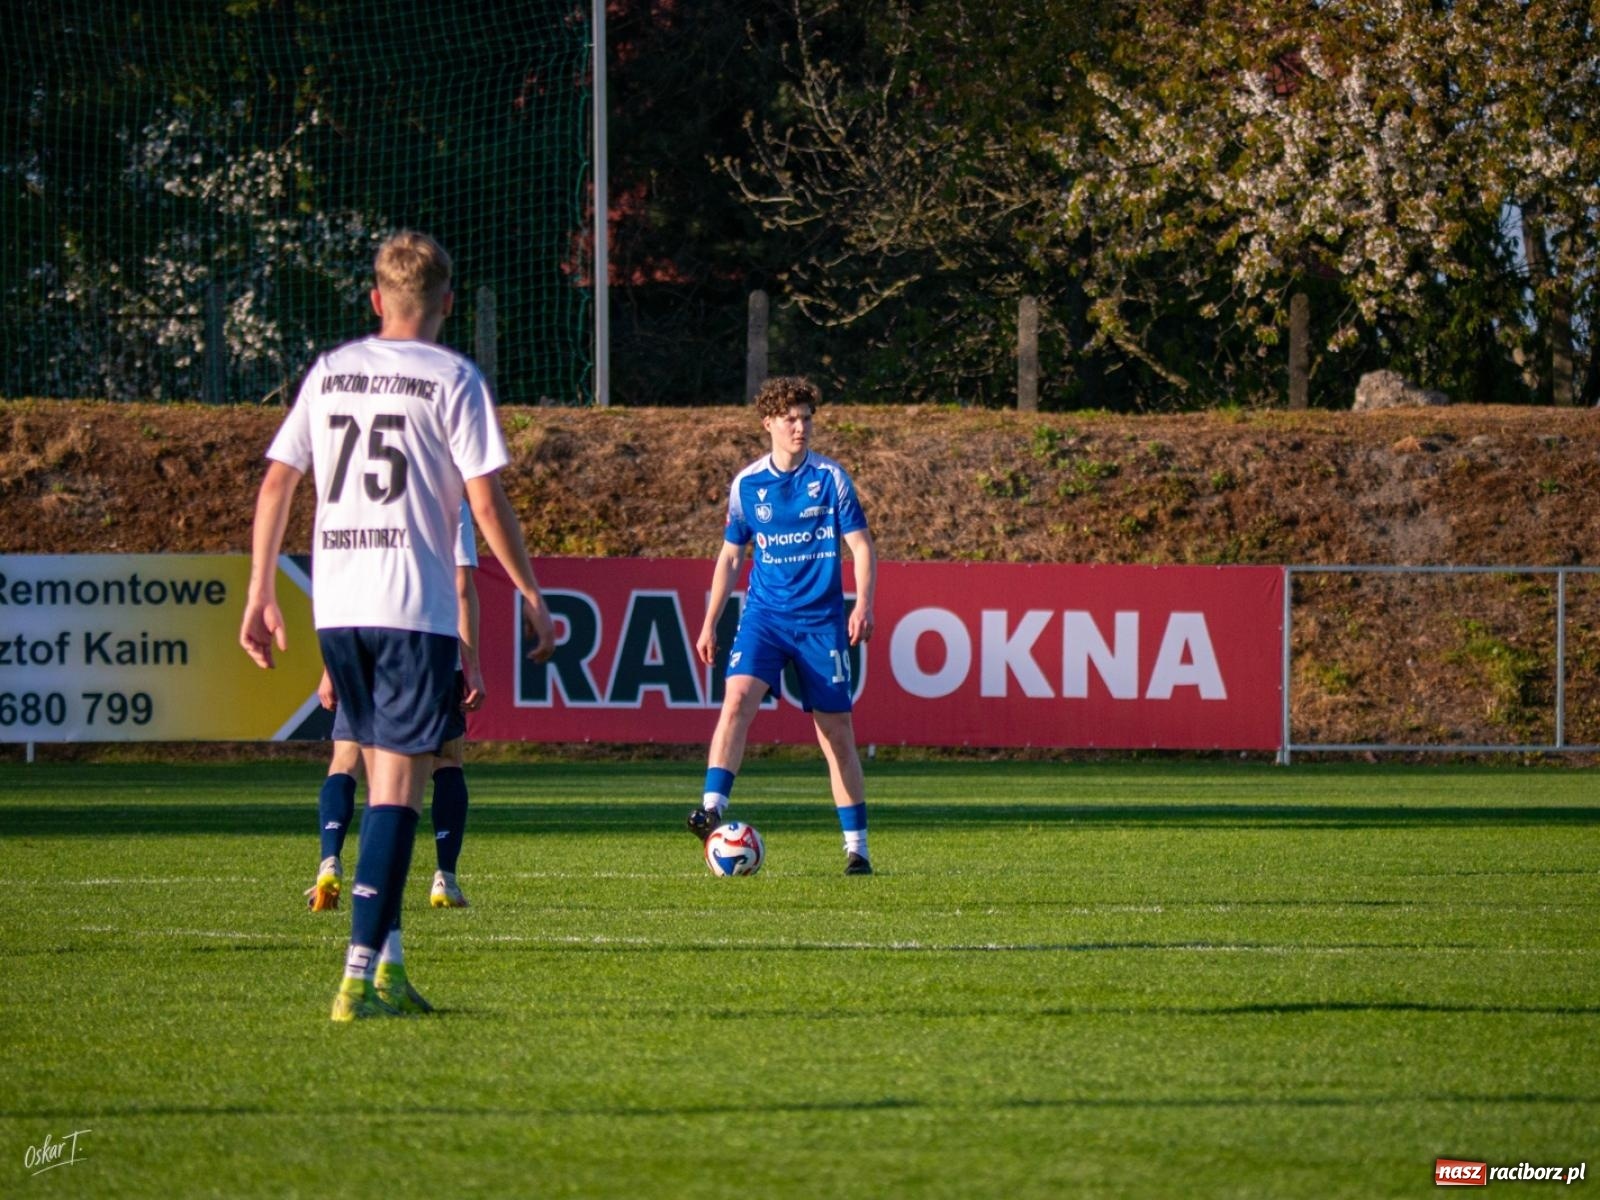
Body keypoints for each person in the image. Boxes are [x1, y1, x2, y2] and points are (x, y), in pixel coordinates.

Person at [241, 230, 555, 1022]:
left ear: (376, 300)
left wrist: (260, 591)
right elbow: (485, 503)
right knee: (398, 794)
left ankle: (389, 970)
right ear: (447, 302)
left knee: (378, 779)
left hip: (338, 610)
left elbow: (279, 480)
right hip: (412, 610)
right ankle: (352, 977)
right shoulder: (453, 377)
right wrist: (530, 593)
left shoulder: (330, 372)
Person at [689, 375, 878, 875]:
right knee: (737, 699)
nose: (801, 427)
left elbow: (860, 546)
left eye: (807, 418)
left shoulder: (831, 479)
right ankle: (711, 809)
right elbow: (731, 557)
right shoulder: (747, 485)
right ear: (768, 422)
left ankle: (856, 848)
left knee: (835, 733)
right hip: (764, 618)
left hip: (821, 622)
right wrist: (710, 622)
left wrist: (863, 605)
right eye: (791, 418)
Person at [306, 500, 483, 913]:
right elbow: (460, 587)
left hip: (360, 642)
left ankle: (329, 861)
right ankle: (444, 878)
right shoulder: (446, 494)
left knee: (345, 759)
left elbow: (339, 582)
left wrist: (331, 664)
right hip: (427, 644)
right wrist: (470, 664)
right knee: (446, 761)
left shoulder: (359, 493)